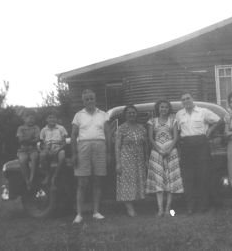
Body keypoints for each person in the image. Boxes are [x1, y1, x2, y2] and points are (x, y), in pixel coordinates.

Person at [176, 91, 222, 214]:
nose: (186, 101)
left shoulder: (203, 111)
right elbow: (178, 131)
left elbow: (219, 120)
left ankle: (203, 206)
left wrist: (211, 130)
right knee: (189, 176)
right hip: (186, 145)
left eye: (188, 98)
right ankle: (191, 206)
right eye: (183, 99)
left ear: (192, 99)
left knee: (203, 174)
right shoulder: (179, 114)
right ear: (182, 102)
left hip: (201, 144)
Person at [71, 90, 112, 224]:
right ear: (83, 101)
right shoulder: (78, 115)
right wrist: (74, 153)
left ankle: (96, 212)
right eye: (87, 99)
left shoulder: (103, 114)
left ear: (95, 100)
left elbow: (107, 133)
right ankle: (79, 214)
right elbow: (73, 135)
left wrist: (109, 152)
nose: (89, 101)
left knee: (97, 180)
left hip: (100, 147)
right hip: (83, 147)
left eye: (92, 99)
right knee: (82, 182)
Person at [146, 99, 183, 217]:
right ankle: (160, 209)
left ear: (169, 109)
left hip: (171, 152)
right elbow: (151, 138)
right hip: (157, 153)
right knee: (159, 180)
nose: (163, 109)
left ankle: (168, 209)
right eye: (161, 107)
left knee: (171, 180)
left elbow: (176, 137)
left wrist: (168, 149)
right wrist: (159, 150)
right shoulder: (152, 121)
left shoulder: (173, 121)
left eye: (166, 107)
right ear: (158, 108)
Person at [115, 105, 149, 217]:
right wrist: (118, 163)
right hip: (126, 159)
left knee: (137, 182)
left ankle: (136, 207)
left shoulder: (141, 128)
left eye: (133, 112)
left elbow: (146, 145)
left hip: (139, 159)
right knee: (127, 183)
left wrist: (146, 159)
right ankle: (130, 209)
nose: (131, 114)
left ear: (136, 114)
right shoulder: (121, 128)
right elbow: (117, 147)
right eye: (129, 113)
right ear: (125, 115)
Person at [39, 110, 68, 191]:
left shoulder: (61, 128)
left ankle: (54, 178)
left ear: (57, 119)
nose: (52, 119)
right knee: (42, 155)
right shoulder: (44, 130)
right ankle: (47, 175)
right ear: (46, 119)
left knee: (62, 156)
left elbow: (64, 143)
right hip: (48, 148)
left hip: (59, 147)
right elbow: (41, 144)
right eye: (50, 117)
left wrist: (59, 149)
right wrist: (45, 148)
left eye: (54, 117)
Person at [16, 110, 40, 190]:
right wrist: (30, 137)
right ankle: (27, 181)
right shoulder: (21, 128)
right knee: (23, 160)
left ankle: (31, 179)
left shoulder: (36, 128)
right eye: (30, 118)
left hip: (33, 149)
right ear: (25, 119)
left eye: (34, 119)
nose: (32, 120)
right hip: (23, 150)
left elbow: (37, 140)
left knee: (35, 158)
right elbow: (20, 140)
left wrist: (26, 140)